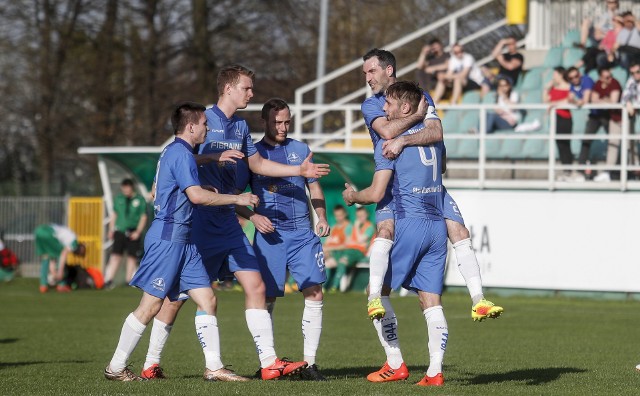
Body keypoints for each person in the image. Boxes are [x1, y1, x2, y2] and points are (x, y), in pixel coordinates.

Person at [138, 65, 328, 381]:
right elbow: (176, 155)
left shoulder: (240, 127)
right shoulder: (202, 122)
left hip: (228, 219)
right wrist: (208, 160)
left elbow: (259, 164)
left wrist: (301, 172)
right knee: (177, 298)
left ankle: (269, 364)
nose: (251, 94)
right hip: (198, 223)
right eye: (247, 88)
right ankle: (150, 362)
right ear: (229, 89)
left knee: (255, 285)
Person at [359, 48, 503, 383]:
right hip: (406, 182)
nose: (367, 79)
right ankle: (408, 364)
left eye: (371, 71)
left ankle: (477, 300)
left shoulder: (416, 96)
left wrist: (404, 135)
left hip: (412, 184)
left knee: (454, 233)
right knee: (395, 237)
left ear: (388, 70)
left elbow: (432, 133)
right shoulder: (373, 104)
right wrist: (415, 119)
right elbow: (388, 132)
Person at [103, 102, 261, 382]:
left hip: (185, 241)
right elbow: (197, 197)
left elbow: (188, 172)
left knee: (207, 299)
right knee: (150, 306)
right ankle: (116, 367)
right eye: (203, 124)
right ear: (191, 127)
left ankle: (214, 368)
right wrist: (238, 198)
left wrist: (211, 159)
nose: (207, 128)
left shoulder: (177, 151)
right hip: (168, 238)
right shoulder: (181, 154)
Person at [344, 81, 449, 386]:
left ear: (404, 108)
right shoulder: (430, 139)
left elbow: (377, 194)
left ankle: (395, 363)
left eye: (388, 104)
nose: (383, 108)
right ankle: (435, 373)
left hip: (409, 222)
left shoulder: (388, 142)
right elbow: (443, 168)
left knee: (376, 292)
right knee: (431, 302)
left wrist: (352, 197)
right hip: (436, 226)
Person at [238, 97, 331, 380]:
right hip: (270, 236)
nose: (283, 126)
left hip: (302, 233)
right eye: (277, 122)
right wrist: (252, 217)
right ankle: (268, 362)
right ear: (264, 121)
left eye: (287, 121)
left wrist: (322, 217)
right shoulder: (251, 154)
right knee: (265, 299)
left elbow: (314, 188)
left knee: (314, 292)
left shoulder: (301, 149)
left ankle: (310, 364)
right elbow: (235, 198)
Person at [579, 66, 622, 182]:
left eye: (609, 76)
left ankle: (616, 173)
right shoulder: (598, 84)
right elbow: (593, 100)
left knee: (616, 144)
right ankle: (581, 170)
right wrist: (605, 100)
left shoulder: (615, 83)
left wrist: (601, 100)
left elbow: (613, 102)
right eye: (605, 77)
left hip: (614, 117)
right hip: (597, 115)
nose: (608, 79)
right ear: (600, 77)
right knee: (586, 140)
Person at [104, 179, 148, 289]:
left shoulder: (140, 199)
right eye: (123, 187)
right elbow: (114, 214)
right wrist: (111, 229)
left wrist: (138, 232)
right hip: (120, 230)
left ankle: (129, 280)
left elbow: (143, 217)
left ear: (131, 187)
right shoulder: (119, 198)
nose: (125, 190)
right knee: (115, 255)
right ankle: (109, 280)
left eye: (127, 187)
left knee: (131, 256)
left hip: (133, 231)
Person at [326, 206, 375, 292]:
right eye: (358, 216)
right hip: (347, 250)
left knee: (342, 261)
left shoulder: (369, 227)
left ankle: (334, 287)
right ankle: (323, 287)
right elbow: (348, 242)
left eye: (362, 216)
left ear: (367, 215)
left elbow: (360, 240)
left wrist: (356, 227)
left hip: (358, 252)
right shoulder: (354, 227)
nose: (360, 218)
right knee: (328, 263)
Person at [34, 223, 86, 293]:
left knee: (46, 257)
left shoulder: (67, 237)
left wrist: (53, 271)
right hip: (49, 233)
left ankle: (43, 285)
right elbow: (63, 254)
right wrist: (60, 272)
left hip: (38, 231)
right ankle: (61, 284)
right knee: (60, 255)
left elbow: (51, 257)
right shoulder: (74, 243)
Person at [544, 66, 574, 181]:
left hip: (564, 118)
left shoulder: (569, 87)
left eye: (555, 74)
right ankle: (565, 170)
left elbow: (568, 101)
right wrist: (546, 89)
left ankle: (568, 170)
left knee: (565, 144)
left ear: (561, 75)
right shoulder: (554, 88)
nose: (553, 77)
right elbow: (546, 101)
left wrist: (554, 104)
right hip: (555, 118)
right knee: (560, 145)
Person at [321, 204, 351, 289]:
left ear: (345, 214)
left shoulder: (348, 227)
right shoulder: (334, 227)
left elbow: (346, 245)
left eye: (340, 215)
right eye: (337, 216)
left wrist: (329, 249)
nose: (339, 218)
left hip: (338, 253)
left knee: (323, 259)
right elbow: (327, 242)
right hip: (329, 253)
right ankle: (320, 286)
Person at [621, 62, 640, 169]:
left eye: (638, 72)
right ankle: (635, 167)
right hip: (636, 115)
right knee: (631, 139)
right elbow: (625, 96)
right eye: (632, 73)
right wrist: (628, 102)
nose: (636, 75)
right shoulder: (632, 80)